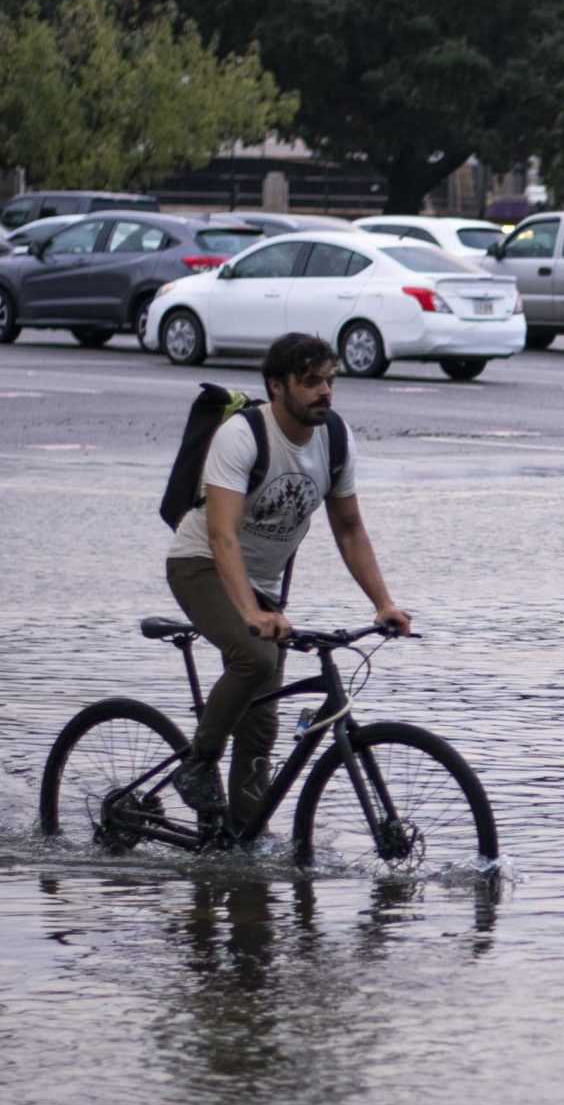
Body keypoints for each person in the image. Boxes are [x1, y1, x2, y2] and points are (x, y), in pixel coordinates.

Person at [165, 332, 412, 832]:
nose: (324, 392)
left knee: (262, 723)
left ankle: (242, 838)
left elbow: (349, 528)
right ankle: (198, 761)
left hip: (261, 585)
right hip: (200, 564)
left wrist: (383, 602)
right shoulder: (243, 436)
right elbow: (221, 535)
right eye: (310, 382)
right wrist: (252, 613)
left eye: (330, 381)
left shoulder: (335, 439)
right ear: (276, 387)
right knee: (252, 657)